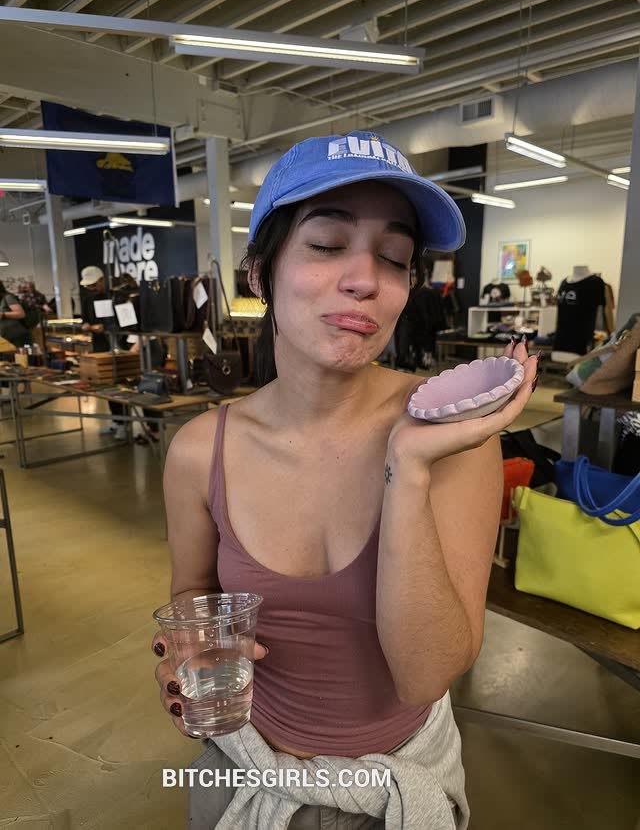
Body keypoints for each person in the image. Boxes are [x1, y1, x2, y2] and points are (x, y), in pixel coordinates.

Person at [152, 131, 538, 829]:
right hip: (244, 771)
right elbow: (193, 593)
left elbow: (425, 676)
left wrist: (408, 470)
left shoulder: (450, 436)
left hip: (396, 787)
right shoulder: (198, 451)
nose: (366, 279)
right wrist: (192, 647)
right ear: (259, 273)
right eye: (328, 244)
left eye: (394, 258)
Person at [79, 265, 127, 441]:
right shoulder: (88, 300)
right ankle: (117, 421)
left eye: (94, 284)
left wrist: (105, 327)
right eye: (89, 286)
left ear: (102, 280)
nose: (92, 288)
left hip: (117, 344)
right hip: (100, 346)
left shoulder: (116, 297)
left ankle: (124, 422)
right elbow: (85, 320)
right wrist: (86, 326)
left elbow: (124, 320)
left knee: (121, 383)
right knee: (107, 385)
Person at [0, 280, 30, 347]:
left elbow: (21, 314)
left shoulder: (8, 297)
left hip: (17, 336)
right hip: (5, 337)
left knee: (24, 353)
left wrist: (3, 314)